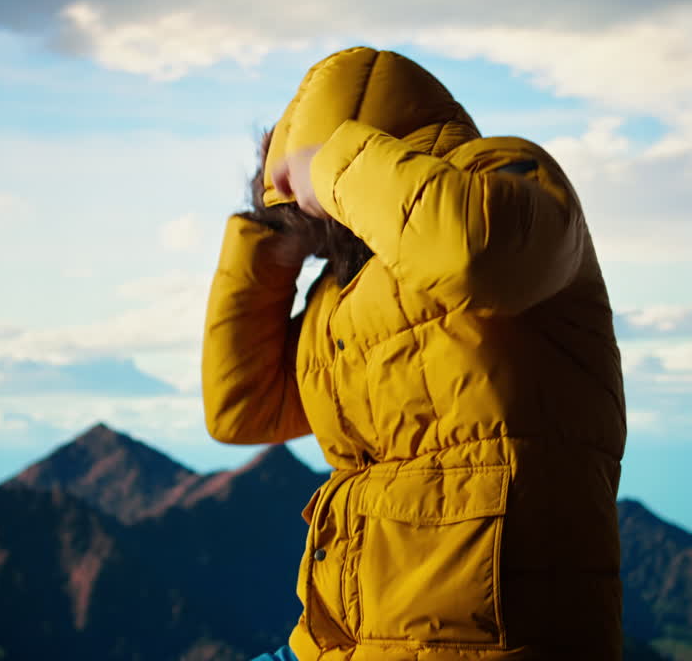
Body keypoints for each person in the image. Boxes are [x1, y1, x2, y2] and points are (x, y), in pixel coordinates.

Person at [202, 46, 626, 661]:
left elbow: (475, 252)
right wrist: (267, 241)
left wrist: (331, 166)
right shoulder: (337, 294)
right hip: (347, 642)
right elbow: (242, 410)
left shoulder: (509, 176)